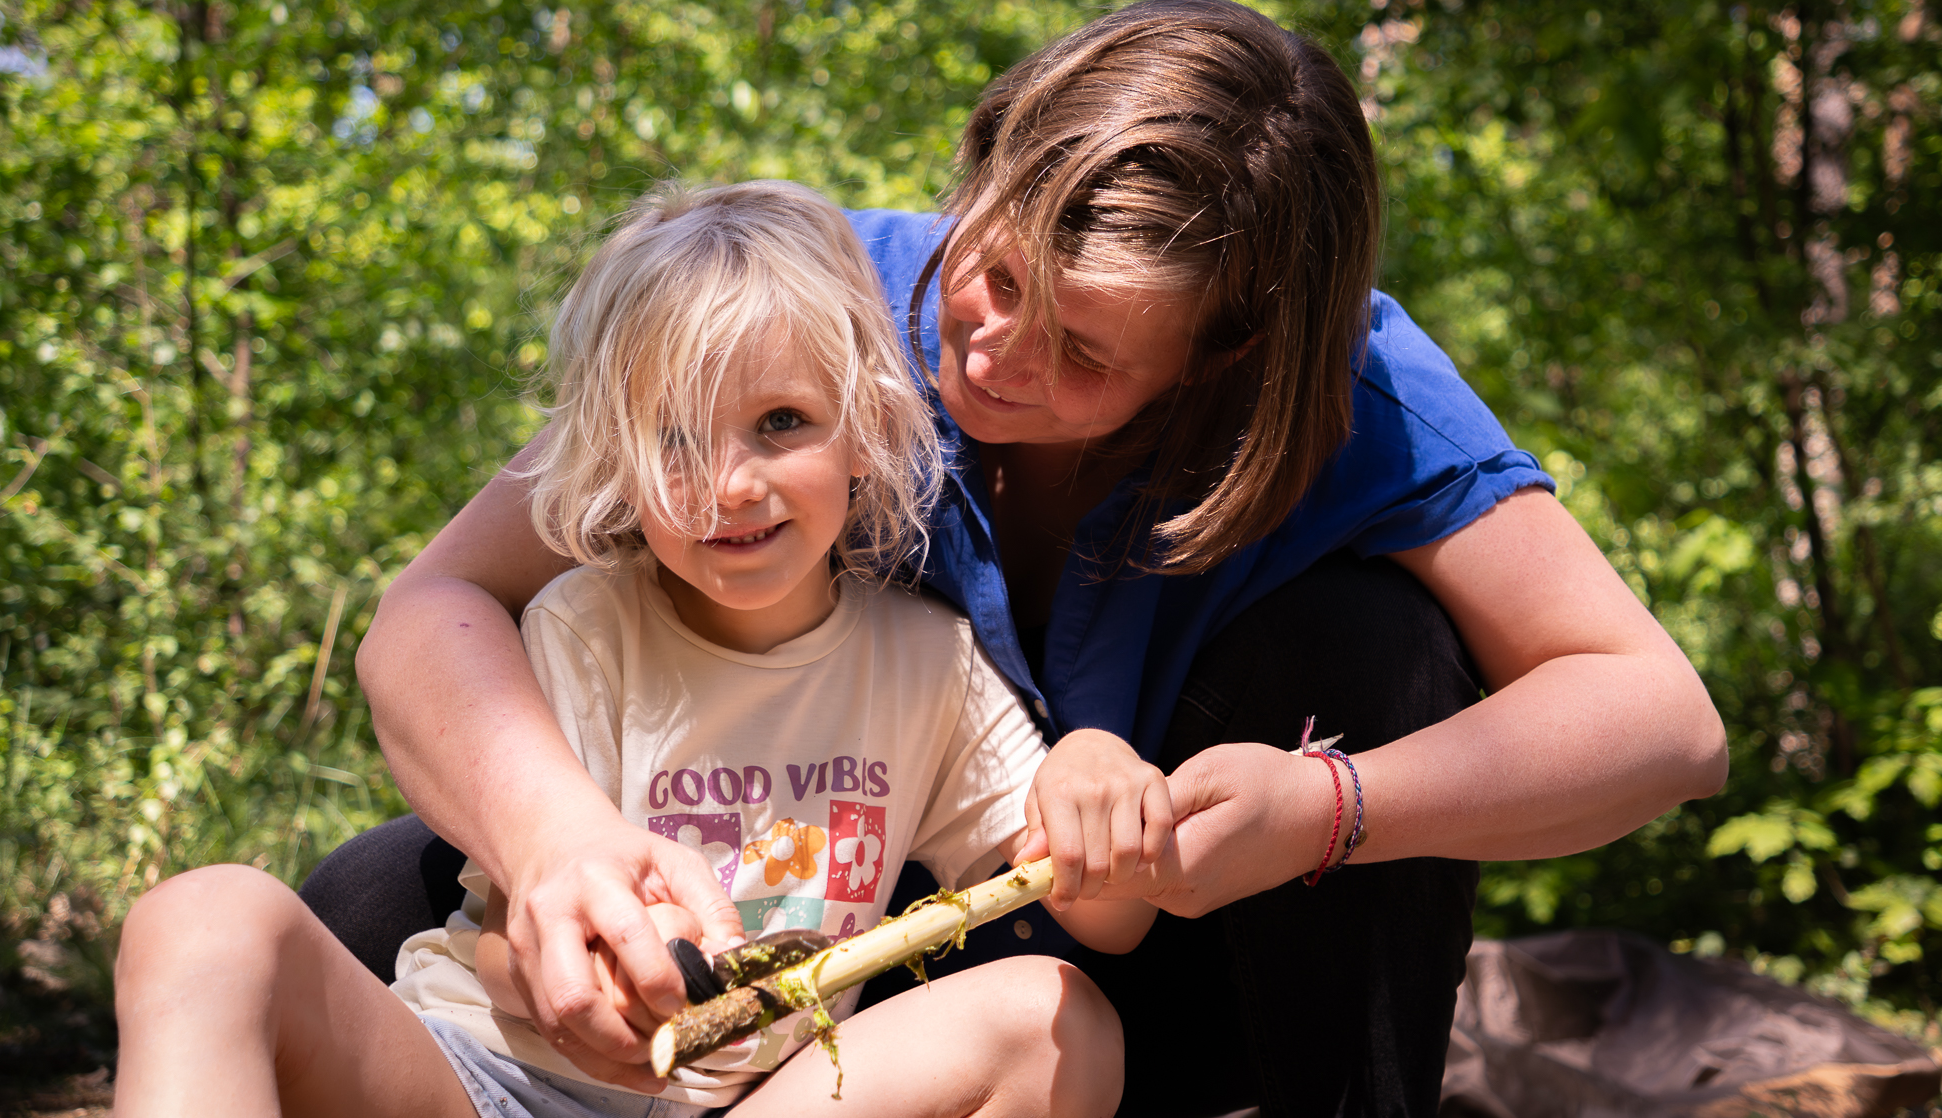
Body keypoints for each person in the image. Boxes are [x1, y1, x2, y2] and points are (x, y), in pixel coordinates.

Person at [329, 2, 1728, 1115]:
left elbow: (1661, 722)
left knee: (1373, 648)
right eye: (993, 272)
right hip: (793, 934)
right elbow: (443, 601)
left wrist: (1325, 806)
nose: (991, 351)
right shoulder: (807, 315)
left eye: (1085, 349)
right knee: (363, 900)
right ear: (983, 157)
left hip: (1148, 975)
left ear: (1230, 350)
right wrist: (555, 840)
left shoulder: (1359, 396)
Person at [113, 180, 1161, 1118]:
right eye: (672, 437)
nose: (726, 483)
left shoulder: (925, 664)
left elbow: (1108, 918)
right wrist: (563, 991)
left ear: (866, 429)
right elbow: (492, 933)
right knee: (202, 918)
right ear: (611, 459)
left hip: (755, 1093)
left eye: (781, 421)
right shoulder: (580, 628)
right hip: (485, 1078)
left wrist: (1095, 774)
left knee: (1061, 1017)